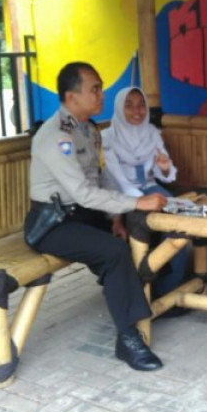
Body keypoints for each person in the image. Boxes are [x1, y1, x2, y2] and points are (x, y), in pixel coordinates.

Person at [25, 62, 167, 371]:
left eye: (100, 88)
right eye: (95, 89)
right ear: (71, 96)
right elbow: (83, 193)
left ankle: (154, 298)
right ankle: (128, 339)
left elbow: (97, 179)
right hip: (52, 224)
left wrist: (115, 216)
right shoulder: (55, 137)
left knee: (135, 229)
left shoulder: (88, 130)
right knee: (114, 252)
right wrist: (137, 201)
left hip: (82, 214)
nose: (102, 95)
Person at [101, 86, 188, 298]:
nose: (137, 111)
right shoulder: (107, 137)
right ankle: (138, 291)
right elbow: (115, 179)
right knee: (138, 227)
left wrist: (164, 167)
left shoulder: (151, 133)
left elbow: (164, 172)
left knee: (181, 223)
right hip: (120, 193)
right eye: (129, 105)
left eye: (141, 105)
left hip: (149, 187)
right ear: (119, 108)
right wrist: (137, 204)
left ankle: (167, 288)